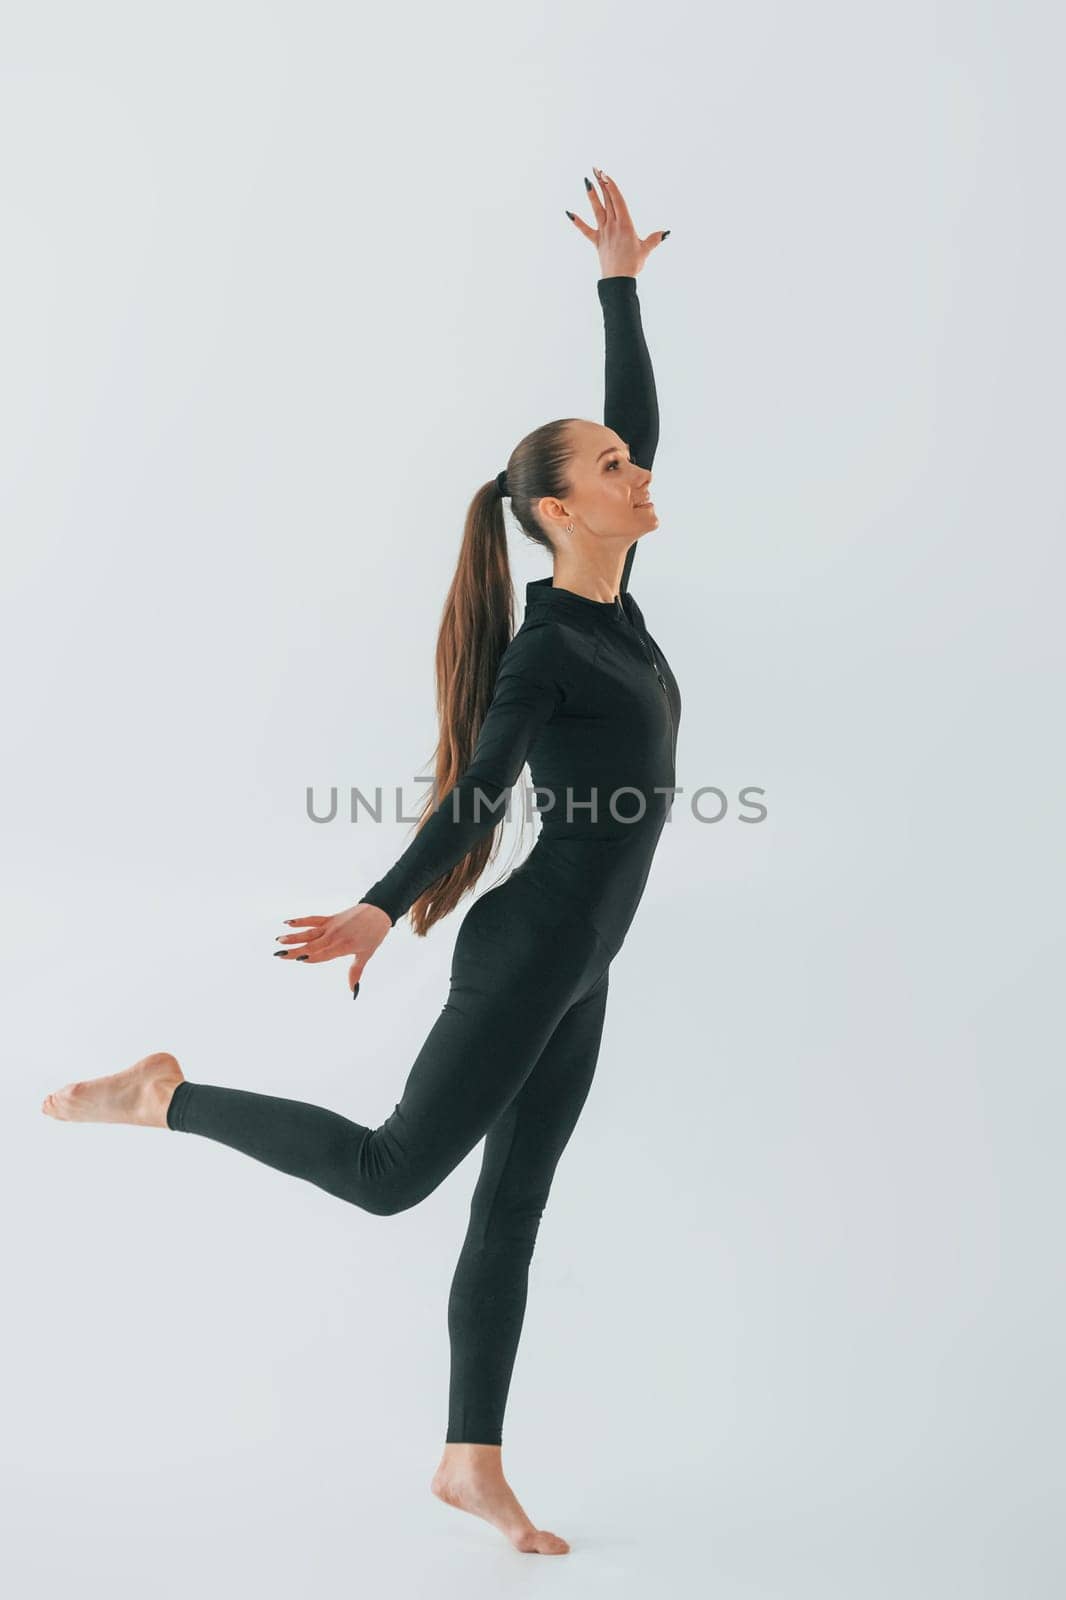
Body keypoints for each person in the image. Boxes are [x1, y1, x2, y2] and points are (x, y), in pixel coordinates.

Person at [41, 166, 679, 1557]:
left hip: (583, 962)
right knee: (395, 1178)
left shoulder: (612, 602)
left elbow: (635, 421)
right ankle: (166, 1097)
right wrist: (383, 910)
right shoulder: (547, 652)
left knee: (512, 1201)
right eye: (614, 470)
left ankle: (469, 1461)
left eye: (631, 464)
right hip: (534, 945)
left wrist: (619, 285)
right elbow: (473, 799)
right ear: (561, 511)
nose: (639, 472)